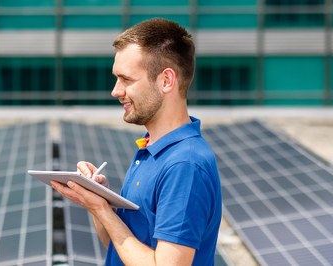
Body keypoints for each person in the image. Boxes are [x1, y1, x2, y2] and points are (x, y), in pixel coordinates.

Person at [51, 18, 222, 265]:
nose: (115, 91)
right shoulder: (151, 149)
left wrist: (101, 209)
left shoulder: (185, 164)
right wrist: (100, 204)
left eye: (126, 80)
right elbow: (121, 249)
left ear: (166, 81)